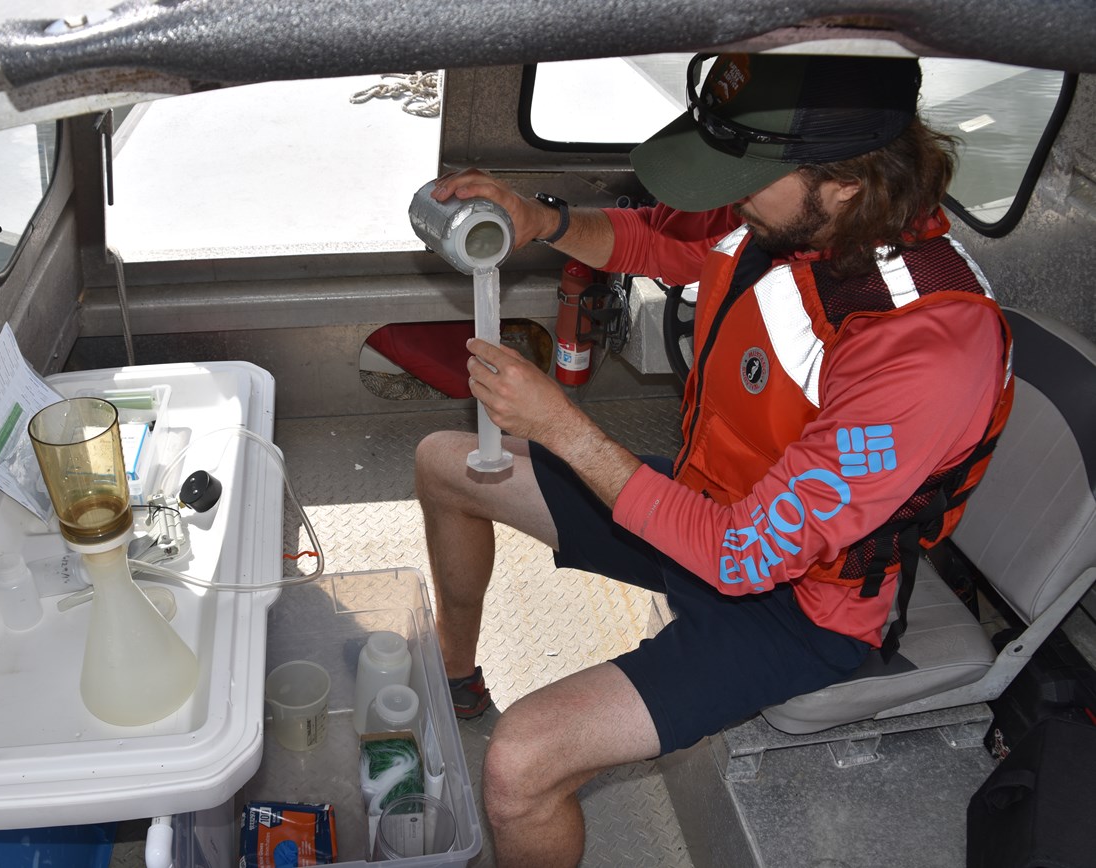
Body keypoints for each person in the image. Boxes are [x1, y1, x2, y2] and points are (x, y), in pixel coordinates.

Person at [415, 52, 1014, 866]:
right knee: (444, 462)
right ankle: (454, 677)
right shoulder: (789, 215)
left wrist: (563, 429)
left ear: (844, 183)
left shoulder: (926, 349)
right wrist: (540, 218)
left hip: (797, 607)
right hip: (702, 506)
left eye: (746, 174)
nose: (728, 195)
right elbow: (650, 241)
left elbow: (742, 555)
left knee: (521, 765)